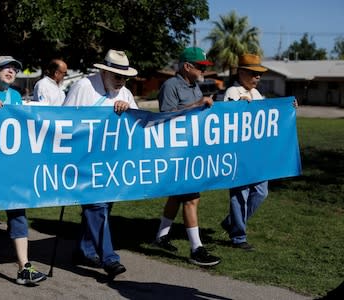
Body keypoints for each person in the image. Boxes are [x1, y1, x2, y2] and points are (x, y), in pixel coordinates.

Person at [0, 55, 47, 285]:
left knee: (18, 214)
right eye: (6, 68)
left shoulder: (16, 96)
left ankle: (24, 266)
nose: (11, 71)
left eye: (14, 69)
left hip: (12, 167)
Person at [62, 49, 137, 278]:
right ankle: (109, 259)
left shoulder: (124, 92)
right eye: (116, 76)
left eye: (124, 77)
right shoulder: (84, 87)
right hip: (84, 160)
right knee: (97, 207)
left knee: (102, 208)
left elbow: (137, 123)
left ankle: (84, 250)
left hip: (111, 162)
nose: (121, 81)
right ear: (103, 71)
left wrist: (127, 112)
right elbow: (64, 119)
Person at [153, 47, 221, 267]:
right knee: (191, 198)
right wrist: (197, 105)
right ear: (186, 66)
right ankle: (196, 249)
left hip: (191, 150)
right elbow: (165, 116)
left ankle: (161, 237)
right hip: (175, 152)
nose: (203, 70)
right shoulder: (170, 86)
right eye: (200, 66)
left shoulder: (195, 86)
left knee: (176, 196)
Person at [219, 53, 269, 251]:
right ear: (241, 72)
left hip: (256, 153)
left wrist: (288, 107)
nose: (257, 78)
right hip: (238, 153)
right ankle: (238, 236)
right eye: (253, 73)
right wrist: (241, 103)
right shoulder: (233, 90)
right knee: (240, 194)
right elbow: (230, 115)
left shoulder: (257, 94)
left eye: (259, 74)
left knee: (261, 192)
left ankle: (231, 222)